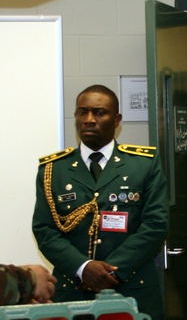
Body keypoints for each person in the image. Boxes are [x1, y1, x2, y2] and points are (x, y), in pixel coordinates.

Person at [32, 85, 169, 320]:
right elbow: (45, 230)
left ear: (117, 120)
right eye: (82, 112)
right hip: (73, 293)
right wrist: (84, 268)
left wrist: (111, 271)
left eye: (99, 112)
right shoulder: (53, 170)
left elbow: (156, 225)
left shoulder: (144, 164)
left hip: (133, 289)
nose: (89, 120)